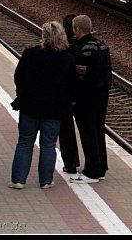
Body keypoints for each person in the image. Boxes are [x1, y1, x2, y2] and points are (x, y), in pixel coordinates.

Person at [10, 20, 74, 190]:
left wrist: (22, 93)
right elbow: (72, 85)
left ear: (44, 36)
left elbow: (18, 77)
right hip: (54, 109)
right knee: (48, 145)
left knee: (25, 142)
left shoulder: (30, 54)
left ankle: (18, 180)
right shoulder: (67, 59)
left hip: (30, 106)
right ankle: (45, 181)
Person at [70, 14, 112, 184]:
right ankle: (101, 168)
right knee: (98, 130)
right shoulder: (102, 46)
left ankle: (91, 171)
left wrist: (74, 97)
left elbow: (80, 77)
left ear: (77, 29)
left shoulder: (82, 50)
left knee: (88, 133)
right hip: (102, 96)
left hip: (86, 99)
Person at [58, 14, 81, 175]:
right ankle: (96, 165)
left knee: (65, 132)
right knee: (90, 131)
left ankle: (71, 164)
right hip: (83, 96)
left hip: (64, 98)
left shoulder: (63, 51)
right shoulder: (87, 47)